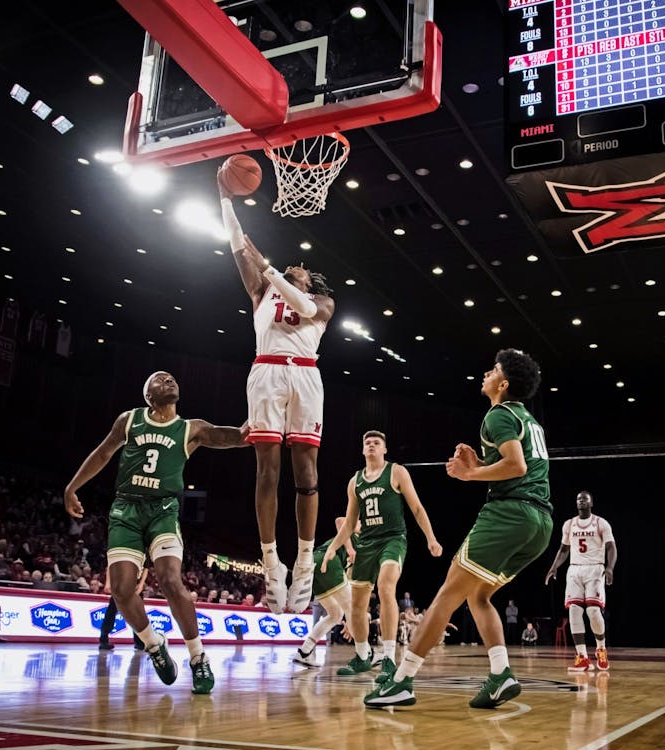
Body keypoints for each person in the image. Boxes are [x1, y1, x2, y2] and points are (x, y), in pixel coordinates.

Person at [364, 348, 553, 709]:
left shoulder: (498, 414)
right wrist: (482, 463)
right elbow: (516, 464)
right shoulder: (528, 418)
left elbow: (516, 468)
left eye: (494, 369)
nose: (487, 372)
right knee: (477, 596)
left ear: (505, 383)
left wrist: (470, 474)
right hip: (540, 523)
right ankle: (501, 674)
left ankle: (401, 681)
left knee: (447, 595)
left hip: (509, 515)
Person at [64, 370, 248, 693]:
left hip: (163, 510)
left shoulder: (191, 429)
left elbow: (235, 436)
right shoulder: (129, 420)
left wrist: (262, 423)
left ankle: (198, 657)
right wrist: (72, 487)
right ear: (148, 395)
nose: (169, 381)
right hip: (126, 510)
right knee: (121, 589)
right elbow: (104, 453)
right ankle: (153, 645)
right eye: (160, 380)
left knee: (170, 580)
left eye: (173, 379)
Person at [219, 177, 335, 615]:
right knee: (266, 471)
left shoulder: (322, 303)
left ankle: (304, 560)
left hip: (305, 377)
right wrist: (225, 199)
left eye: (300, 269)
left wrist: (269, 267)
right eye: (289, 267)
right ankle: (271, 561)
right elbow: (235, 242)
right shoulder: (261, 291)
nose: (294, 267)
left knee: (306, 474)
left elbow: (304, 310)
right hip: (266, 370)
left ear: (312, 279)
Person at [322, 430, 442, 683]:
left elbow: (417, 508)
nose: (372, 446)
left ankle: (388, 658)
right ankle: (362, 655)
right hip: (366, 544)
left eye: (377, 443)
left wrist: (431, 538)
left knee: (386, 586)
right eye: (368, 443)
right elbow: (349, 522)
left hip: (393, 540)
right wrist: (333, 547)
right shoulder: (355, 482)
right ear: (363, 450)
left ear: (384, 449)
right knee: (356, 604)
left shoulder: (397, 472)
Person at [544, 491, 616, 671]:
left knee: (593, 610)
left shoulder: (601, 523)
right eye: (578, 499)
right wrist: (554, 567)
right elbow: (563, 549)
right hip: (574, 569)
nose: (581, 501)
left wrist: (609, 568)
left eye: (584, 499)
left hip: (595, 568)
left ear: (591, 503)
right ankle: (582, 656)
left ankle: (601, 649)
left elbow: (611, 547)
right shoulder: (569, 524)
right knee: (574, 611)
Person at [293, 516, 360, 667]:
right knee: (351, 607)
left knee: (337, 614)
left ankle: (305, 652)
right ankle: (365, 653)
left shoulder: (364, 546)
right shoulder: (353, 532)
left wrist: (350, 622)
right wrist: (349, 548)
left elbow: (349, 582)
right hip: (327, 559)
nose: (362, 524)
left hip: (315, 565)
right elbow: (339, 521)